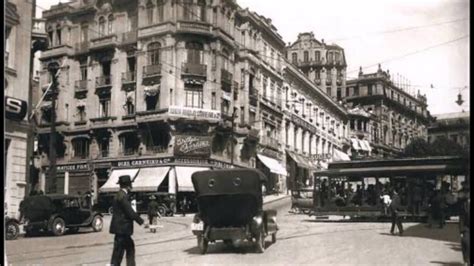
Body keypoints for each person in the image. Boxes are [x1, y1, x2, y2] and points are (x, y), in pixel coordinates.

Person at [110, 175, 144, 266]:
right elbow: (130, 212)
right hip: (123, 229)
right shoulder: (123, 196)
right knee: (124, 251)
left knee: (119, 252)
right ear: (128, 185)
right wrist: (142, 222)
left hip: (120, 229)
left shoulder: (118, 195)